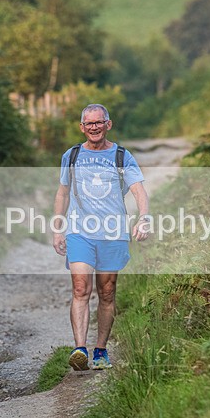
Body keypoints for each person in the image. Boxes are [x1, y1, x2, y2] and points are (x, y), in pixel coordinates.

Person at [52, 104, 150, 371]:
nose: (94, 127)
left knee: (107, 292)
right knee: (81, 288)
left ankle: (100, 350)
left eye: (99, 123)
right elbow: (62, 192)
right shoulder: (71, 156)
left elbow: (138, 189)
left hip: (112, 233)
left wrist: (144, 216)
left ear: (109, 124)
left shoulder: (121, 156)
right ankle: (80, 349)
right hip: (79, 231)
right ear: (82, 127)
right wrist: (58, 227)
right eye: (89, 124)